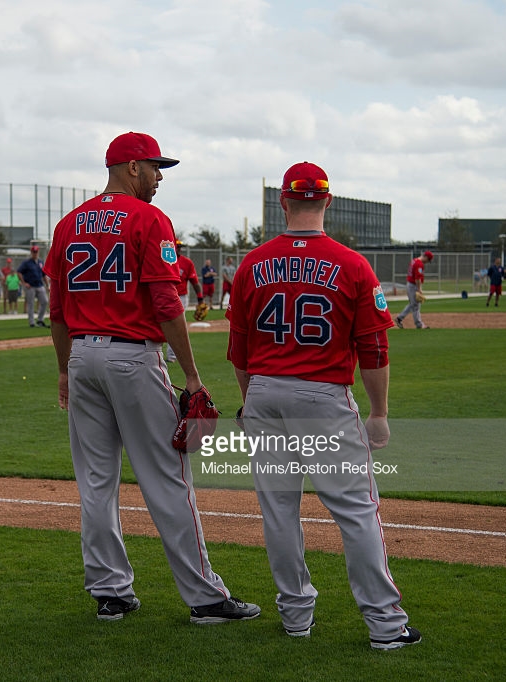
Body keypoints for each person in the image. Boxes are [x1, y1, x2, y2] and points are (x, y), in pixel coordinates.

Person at [44, 131, 260, 625]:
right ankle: (206, 599)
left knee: (96, 482)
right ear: (132, 167)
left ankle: (110, 593)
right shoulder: (148, 218)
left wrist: (63, 369)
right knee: (167, 478)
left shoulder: (68, 223)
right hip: (132, 358)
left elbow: (58, 311)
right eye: (156, 167)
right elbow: (166, 304)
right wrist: (192, 375)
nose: (161, 177)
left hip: (82, 356)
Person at [228, 161, 420, 649]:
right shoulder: (352, 263)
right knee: (355, 511)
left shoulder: (252, 263)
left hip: (265, 391)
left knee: (278, 511)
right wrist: (378, 414)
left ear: (283, 202)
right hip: (321, 395)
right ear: (327, 201)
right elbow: (374, 348)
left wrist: (252, 402)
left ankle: (295, 617)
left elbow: (239, 348)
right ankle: (384, 625)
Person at [167, 240, 202, 362]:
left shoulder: (187, 263)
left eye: (180, 247)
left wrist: (200, 298)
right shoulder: (164, 259)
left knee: (176, 325)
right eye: (177, 246)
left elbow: (195, 282)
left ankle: (172, 356)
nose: (179, 249)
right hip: (165, 295)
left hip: (181, 297)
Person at [395, 249, 433, 329]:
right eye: (428, 260)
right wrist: (419, 289)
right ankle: (419, 324)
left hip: (410, 284)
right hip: (413, 285)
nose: (427, 262)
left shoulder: (414, 260)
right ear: (425, 257)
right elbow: (417, 278)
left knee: (412, 304)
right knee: (416, 305)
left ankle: (399, 318)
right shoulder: (419, 264)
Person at [18, 246, 49, 328]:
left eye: (36, 252)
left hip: (39, 284)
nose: (35, 254)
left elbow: (44, 274)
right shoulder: (27, 262)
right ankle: (31, 322)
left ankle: (40, 320)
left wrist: (47, 285)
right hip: (30, 286)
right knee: (31, 304)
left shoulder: (40, 262)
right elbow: (19, 272)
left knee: (45, 301)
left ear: (38, 252)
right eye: (33, 252)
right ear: (31, 252)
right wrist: (24, 283)